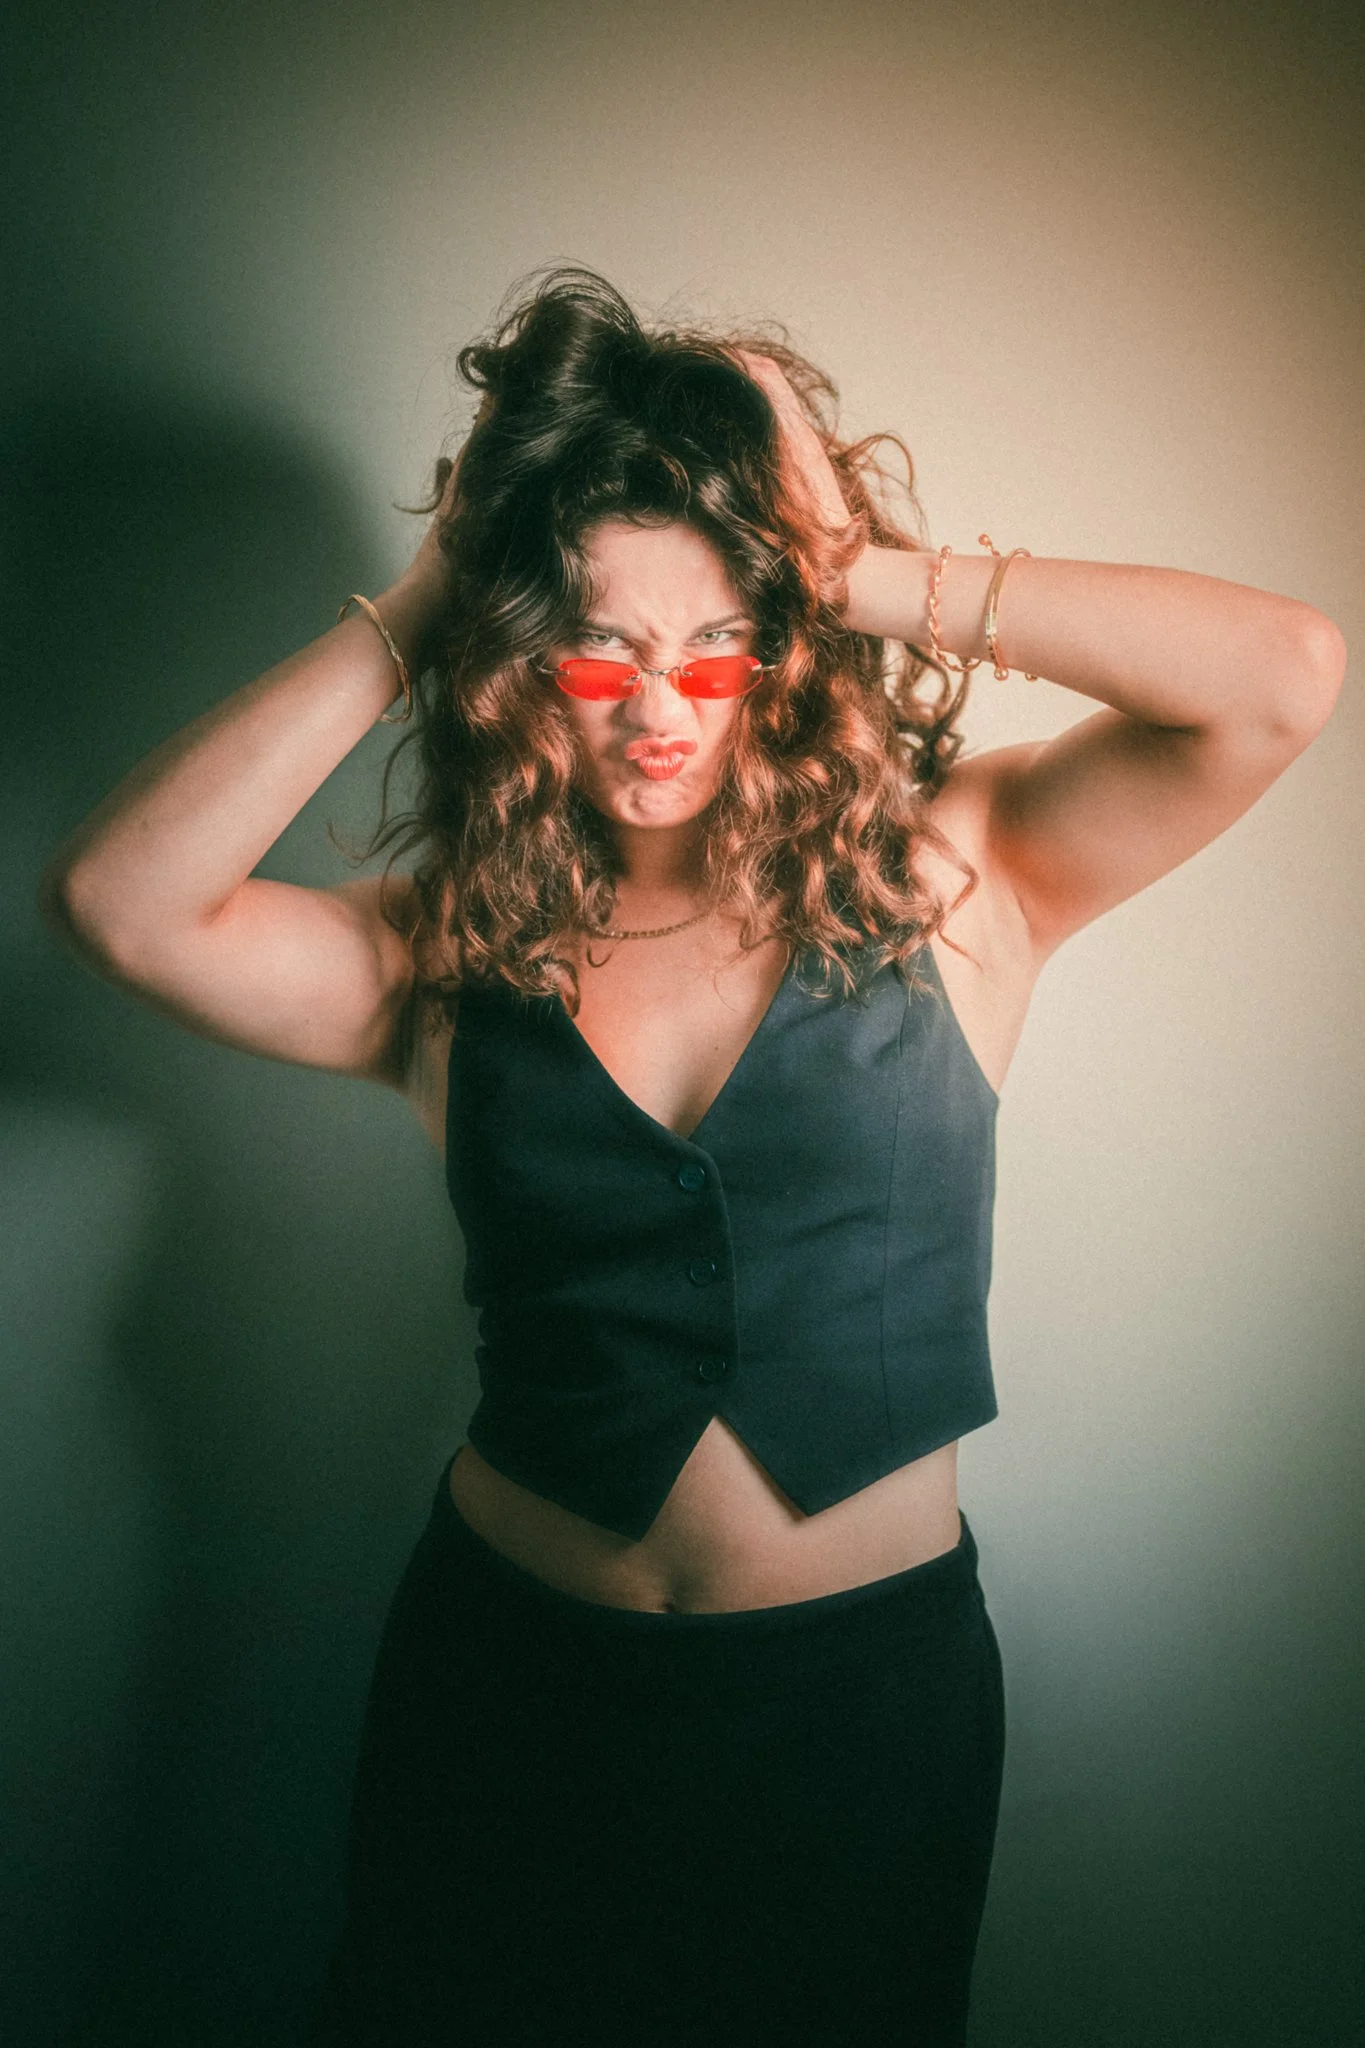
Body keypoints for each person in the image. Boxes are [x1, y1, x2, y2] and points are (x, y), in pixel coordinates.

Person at [36, 265, 1346, 2047]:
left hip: (856, 1718)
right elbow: (120, 903)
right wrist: (432, 592)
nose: (659, 708)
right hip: (507, 1685)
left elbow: (1285, 674)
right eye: (598, 651)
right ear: (523, 667)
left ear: (778, 656)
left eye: (716, 647)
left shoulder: (964, 876)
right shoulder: (446, 954)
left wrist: (856, 566)